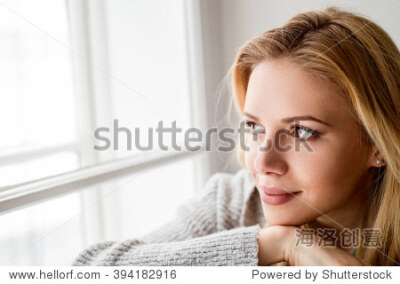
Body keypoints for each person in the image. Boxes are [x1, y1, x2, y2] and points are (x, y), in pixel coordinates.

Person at [72, 7, 400, 266]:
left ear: (377, 145)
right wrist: (275, 244)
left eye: (301, 132)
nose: (262, 161)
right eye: (254, 127)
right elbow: (86, 269)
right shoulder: (231, 205)